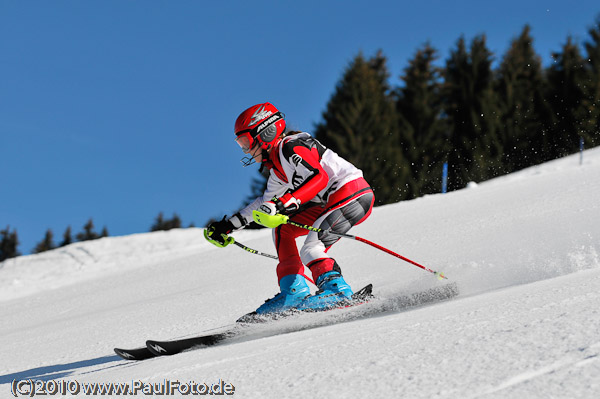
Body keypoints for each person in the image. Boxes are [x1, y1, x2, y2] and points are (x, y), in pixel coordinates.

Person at [204, 102, 374, 315]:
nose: (246, 150)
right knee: (283, 230)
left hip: (352, 193)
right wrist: (228, 226)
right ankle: (293, 292)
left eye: (246, 142)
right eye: (241, 144)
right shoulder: (278, 169)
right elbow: (264, 203)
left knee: (311, 248)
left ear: (266, 133)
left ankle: (338, 292)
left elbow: (319, 177)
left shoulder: (291, 145)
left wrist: (285, 203)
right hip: (331, 201)